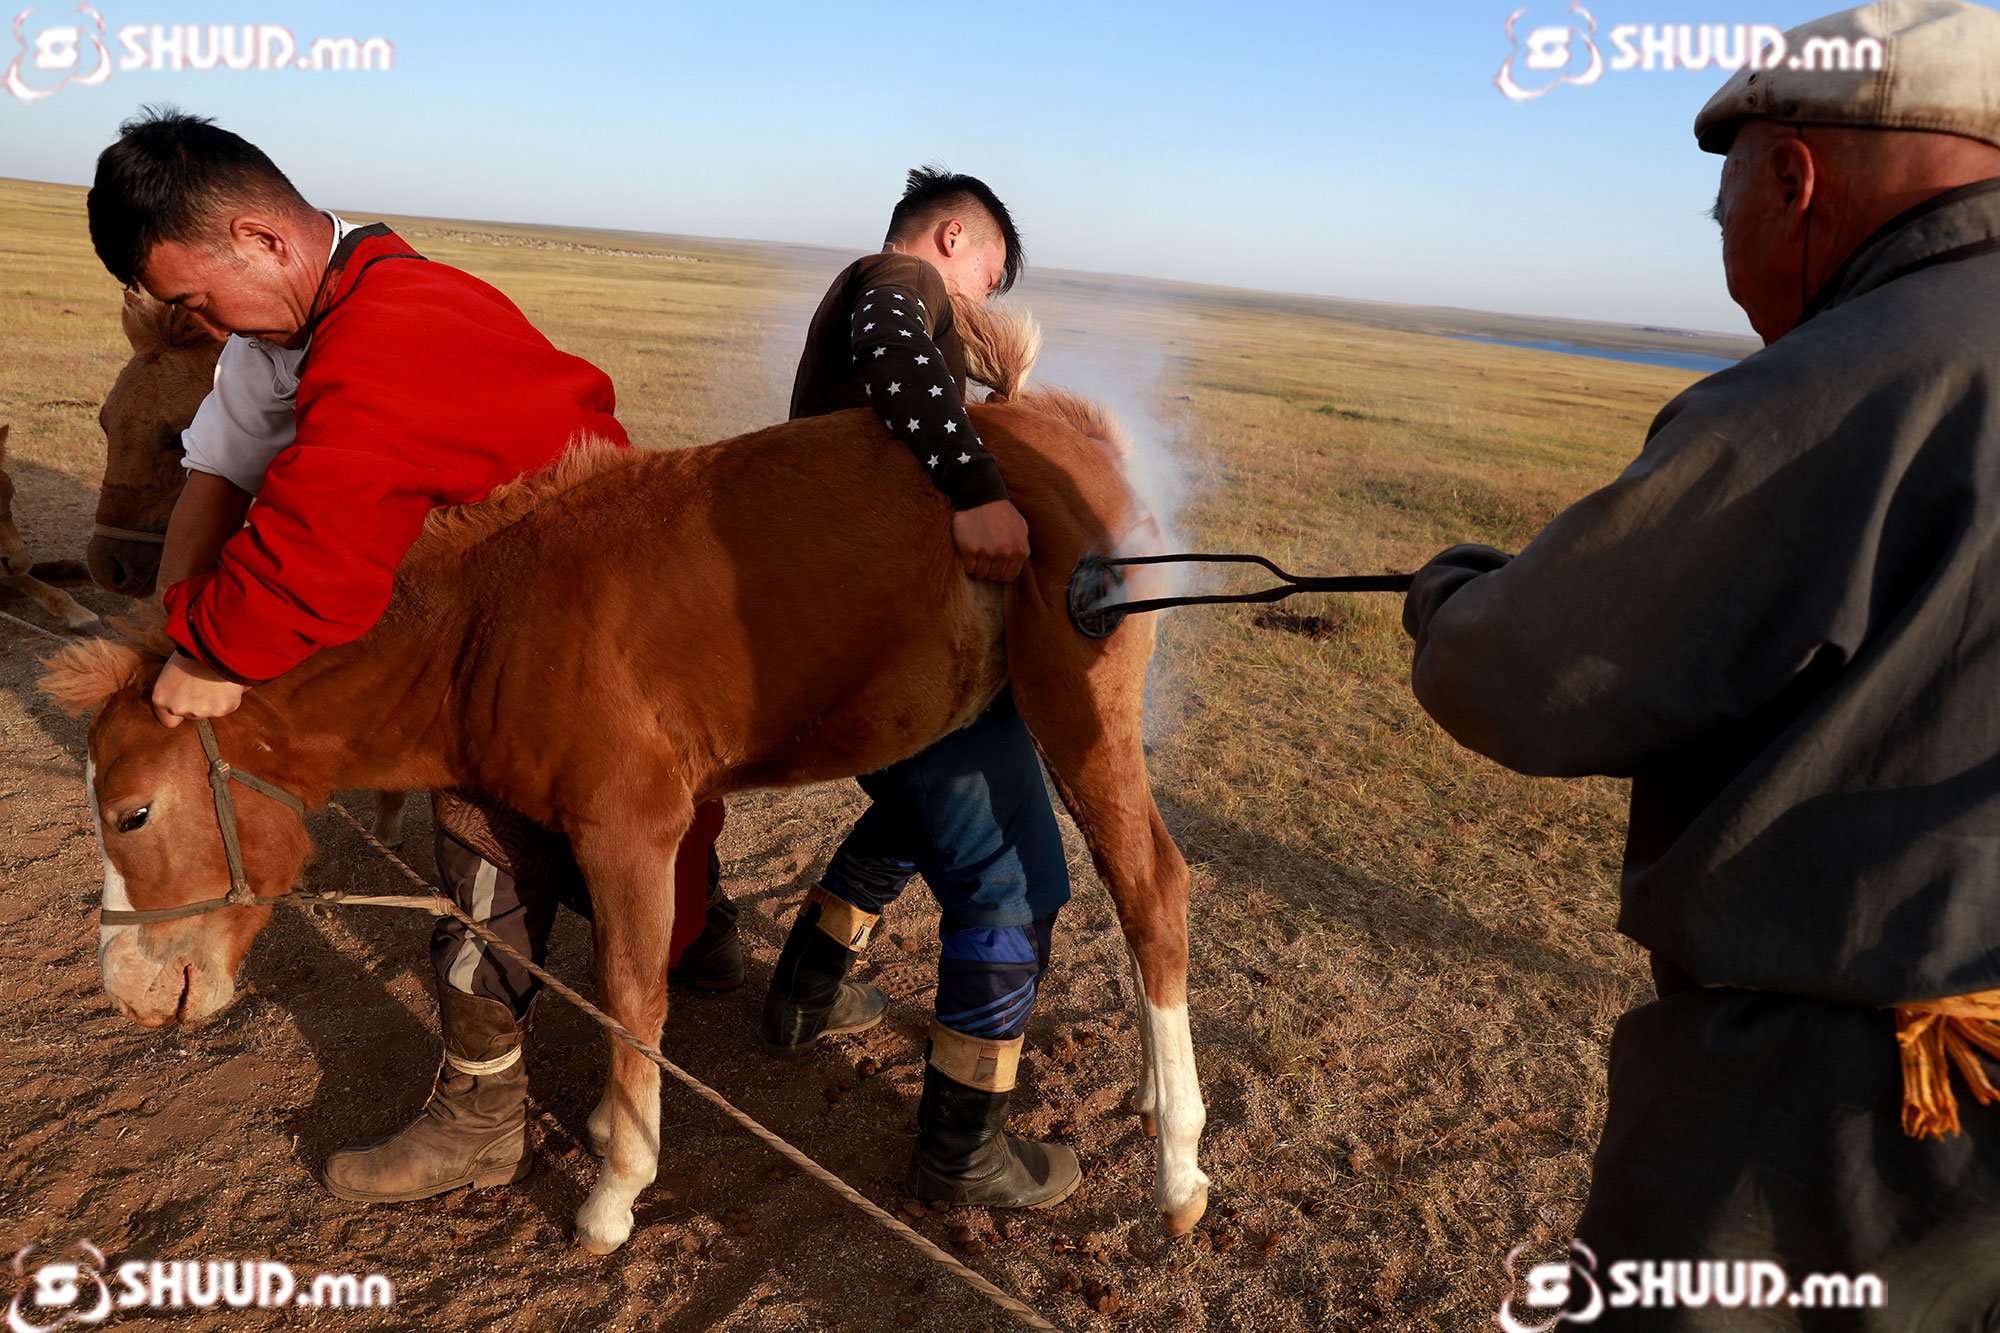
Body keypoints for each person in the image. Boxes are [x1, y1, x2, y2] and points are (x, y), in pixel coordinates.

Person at [1403, 4, 2000, 1326]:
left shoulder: (1850, 380)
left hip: (1846, 1107)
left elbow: (1530, 672)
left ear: (1792, 179)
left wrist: (1449, 600)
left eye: (1718, 206)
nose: (1724, 244)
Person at [85, 108, 733, 1209]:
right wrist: (168, 636)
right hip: (472, 637)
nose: (202, 324)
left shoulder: (398, 331)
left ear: (261, 239)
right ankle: (500, 1099)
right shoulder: (274, 337)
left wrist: (207, 649)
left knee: (536, 836)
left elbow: (316, 556)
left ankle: (578, 1047)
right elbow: (216, 477)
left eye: (197, 298)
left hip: (573, 648)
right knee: (522, 838)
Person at [761, 166, 1080, 1209]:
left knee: (908, 816)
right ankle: (963, 1152)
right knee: (1011, 879)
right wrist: (980, 492)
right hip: (892, 643)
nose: (982, 300)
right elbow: (901, 362)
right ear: (951, 239)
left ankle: (805, 992)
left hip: (846, 632)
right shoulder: (899, 283)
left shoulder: (880, 287)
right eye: (988, 274)